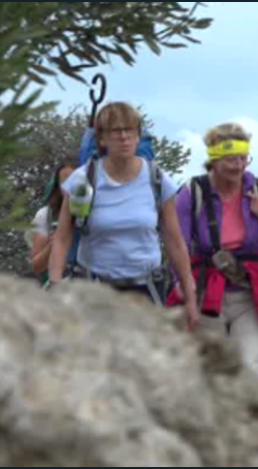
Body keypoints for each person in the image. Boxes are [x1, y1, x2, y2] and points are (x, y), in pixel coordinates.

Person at [167, 122, 258, 402]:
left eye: (243, 158)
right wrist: (182, 282)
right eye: (231, 159)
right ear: (214, 159)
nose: (238, 166)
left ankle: (249, 436)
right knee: (210, 372)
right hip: (207, 292)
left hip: (252, 293)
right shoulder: (192, 194)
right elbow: (177, 243)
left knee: (252, 370)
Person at [48, 102, 198, 326]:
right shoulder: (83, 178)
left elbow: (174, 240)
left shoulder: (156, 178)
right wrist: (56, 284)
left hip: (146, 290)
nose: (124, 137)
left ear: (138, 136)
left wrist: (190, 294)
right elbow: (62, 237)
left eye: (130, 130)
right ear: (102, 138)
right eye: (116, 131)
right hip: (94, 288)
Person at [27, 159, 76, 285]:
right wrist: (53, 245)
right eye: (65, 181)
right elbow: (36, 267)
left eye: (76, 179)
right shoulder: (46, 216)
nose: (70, 186)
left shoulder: (100, 214)